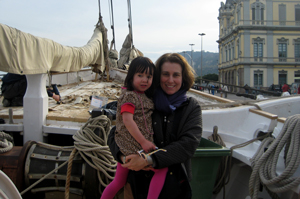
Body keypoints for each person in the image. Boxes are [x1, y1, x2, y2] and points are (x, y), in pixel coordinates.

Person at [108, 53, 202, 199]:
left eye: (176, 75)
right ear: (158, 76)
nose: (170, 80)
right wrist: (123, 157)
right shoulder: (145, 99)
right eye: (165, 74)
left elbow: (188, 144)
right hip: (135, 185)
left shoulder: (191, 107)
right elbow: (116, 131)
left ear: (183, 78)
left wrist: (149, 160)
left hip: (174, 186)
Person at [101, 57, 168, 199]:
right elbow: (127, 120)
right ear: (131, 77)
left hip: (127, 147)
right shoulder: (130, 97)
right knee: (162, 168)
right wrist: (144, 142)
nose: (145, 80)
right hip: (134, 147)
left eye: (149, 77)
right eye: (140, 75)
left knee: (118, 182)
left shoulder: (144, 96)